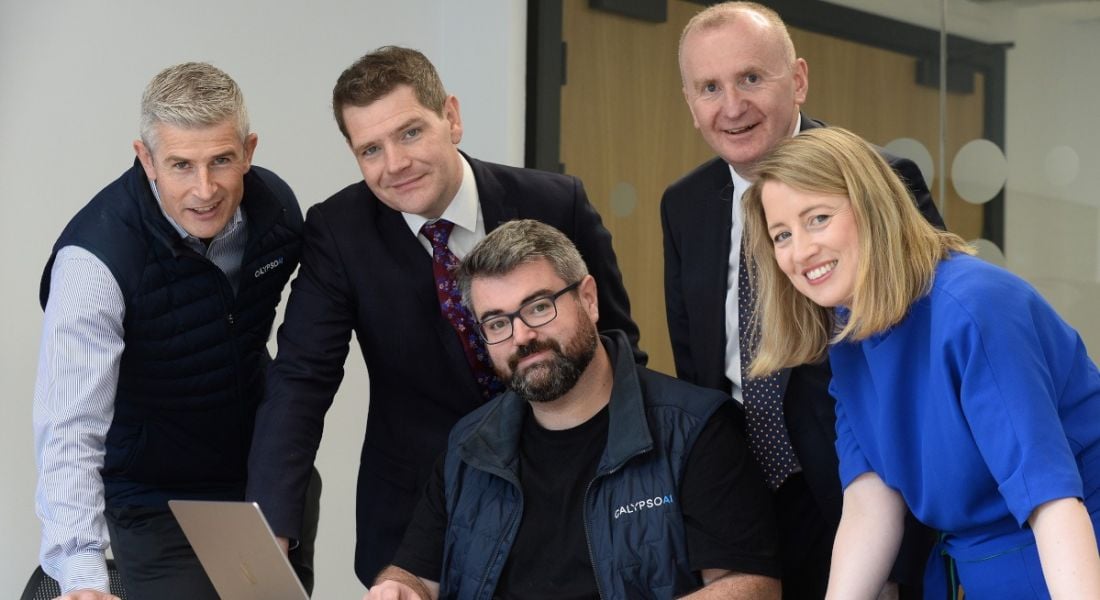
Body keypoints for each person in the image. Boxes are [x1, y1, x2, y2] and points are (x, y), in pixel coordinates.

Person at [246, 46, 642, 586]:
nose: (395, 165)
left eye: (409, 133)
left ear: (451, 117)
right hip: (417, 513)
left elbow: (618, 347)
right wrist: (272, 525)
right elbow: (301, 378)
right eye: (370, 149)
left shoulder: (556, 202)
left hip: (566, 496)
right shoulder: (339, 232)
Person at [742, 125, 1100, 599]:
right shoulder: (850, 335)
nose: (801, 251)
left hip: (1069, 557)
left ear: (872, 208)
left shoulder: (975, 308)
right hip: (969, 570)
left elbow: (1051, 498)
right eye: (782, 234)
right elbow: (870, 503)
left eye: (819, 218)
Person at [661, 2, 943, 597]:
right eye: (709, 87)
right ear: (689, 103)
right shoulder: (684, 205)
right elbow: (696, 361)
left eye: (751, 78)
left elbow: (927, 365)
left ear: (799, 80)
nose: (731, 106)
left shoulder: (878, 179)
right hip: (741, 497)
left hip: (864, 487)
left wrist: (896, 560)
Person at [364, 219, 780, 599]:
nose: (522, 336)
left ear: (589, 299)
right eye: (496, 323)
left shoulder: (694, 429)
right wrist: (400, 588)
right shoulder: (470, 447)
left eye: (539, 307)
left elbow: (749, 586)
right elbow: (417, 574)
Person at [33, 62, 316, 599]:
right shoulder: (95, 261)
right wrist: (82, 575)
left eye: (221, 161)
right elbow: (69, 429)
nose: (204, 190)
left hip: (262, 477)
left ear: (249, 150)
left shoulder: (276, 214)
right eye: (181, 165)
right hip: (155, 497)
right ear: (146, 159)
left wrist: (277, 486)